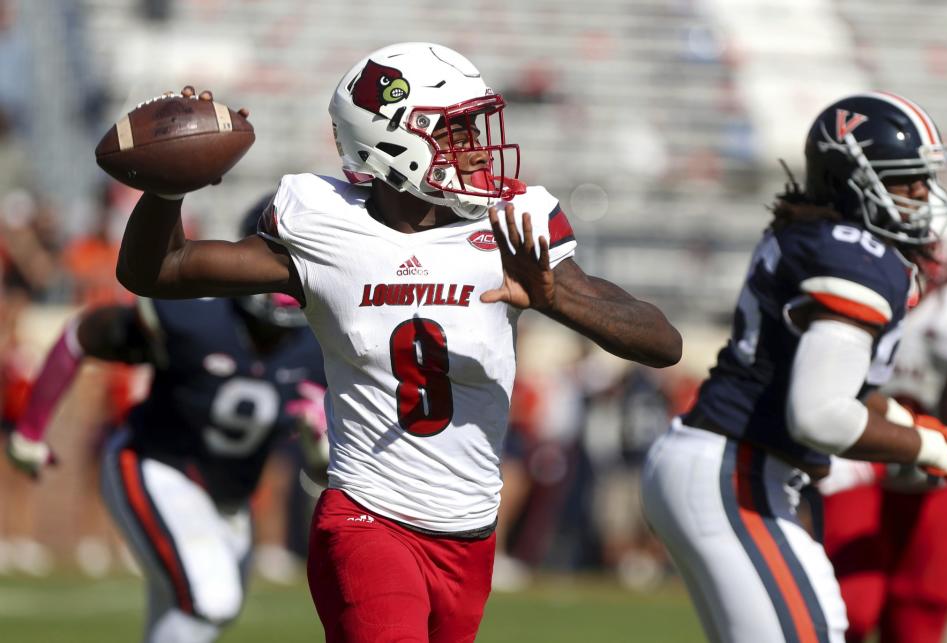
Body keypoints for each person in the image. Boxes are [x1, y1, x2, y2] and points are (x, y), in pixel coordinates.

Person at [108, 42, 682, 642]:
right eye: (456, 132)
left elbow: (662, 343)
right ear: (393, 143)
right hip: (368, 519)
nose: (477, 148)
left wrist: (557, 298)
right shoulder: (323, 222)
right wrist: (168, 189)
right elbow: (157, 272)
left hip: (469, 533)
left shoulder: (513, 223)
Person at [641, 92, 947, 643]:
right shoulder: (858, 255)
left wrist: (922, 430)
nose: (923, 197)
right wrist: (936, 449)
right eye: (906, 181)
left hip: (726, 464)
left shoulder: (813, 235)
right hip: (733, 467)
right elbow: (822, 417)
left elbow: (843, 392)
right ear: (852, 181)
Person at [6, 198, 328, 643]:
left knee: (196, 613)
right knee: (210, 598)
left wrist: (319, 451)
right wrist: (30, 429)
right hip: (155, 464)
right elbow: (84, 334)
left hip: (228, 497)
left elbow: (322, 466)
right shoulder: (195, 318)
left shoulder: (319, 345)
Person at [818, 215, 947, 643]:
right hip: (859, 458)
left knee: (918, 617)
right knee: (850, 609)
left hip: (935, 472)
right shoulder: (851, 290)